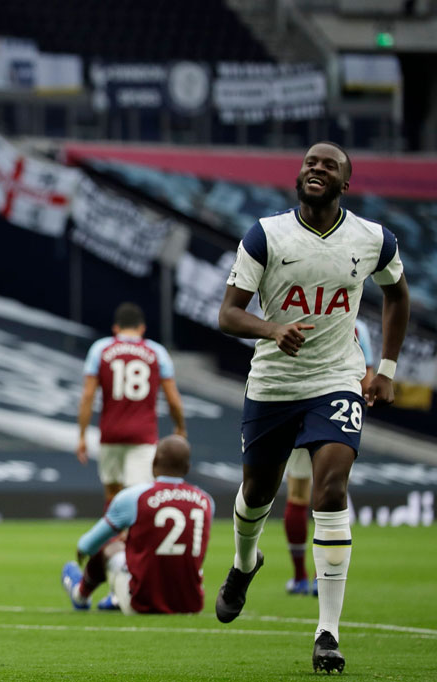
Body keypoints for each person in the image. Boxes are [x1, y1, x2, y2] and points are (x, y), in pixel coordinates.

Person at [215, 141, 409, 673]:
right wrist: (273, 328)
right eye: (309, 163)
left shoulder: (373, 239)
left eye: (329, 165)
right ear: (299, 176)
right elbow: (229, 315)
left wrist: (385, 369)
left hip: (336, 380)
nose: (316, 169)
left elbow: (397, 295)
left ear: (345, 184)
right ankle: (243, 564)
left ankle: (327, 632)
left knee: (331, 488)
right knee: (257, 493)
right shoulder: (265, 234)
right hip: (274, 385)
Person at [61, 435, 213, 615]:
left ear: (154, 461)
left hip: (141, 603)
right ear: (187, 468)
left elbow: (87, 544)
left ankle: (81, 595)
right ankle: (116, 597)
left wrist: (83, 550)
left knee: (111, 547)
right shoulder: (206, 501)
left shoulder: (134, 496)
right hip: (190, 605)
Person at [283, 319, 373, 597]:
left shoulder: (296, 314)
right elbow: (366, 374)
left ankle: (300, 578)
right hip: (338, 412)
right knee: (332, 492)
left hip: (296, 405)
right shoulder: (358, 325)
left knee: (298, 493)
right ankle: (326, 578)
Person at [76, 302, 186, 503]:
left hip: (110, 433)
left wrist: (82, 434)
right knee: (139, 496)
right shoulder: (157, 352)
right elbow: (173, 400)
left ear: (115, 328)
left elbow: (87, 396)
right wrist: (180, 426)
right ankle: (133, 535)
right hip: (143, 434)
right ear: (142, 328)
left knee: (112, 493)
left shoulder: (100, 349)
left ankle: (115, 534)